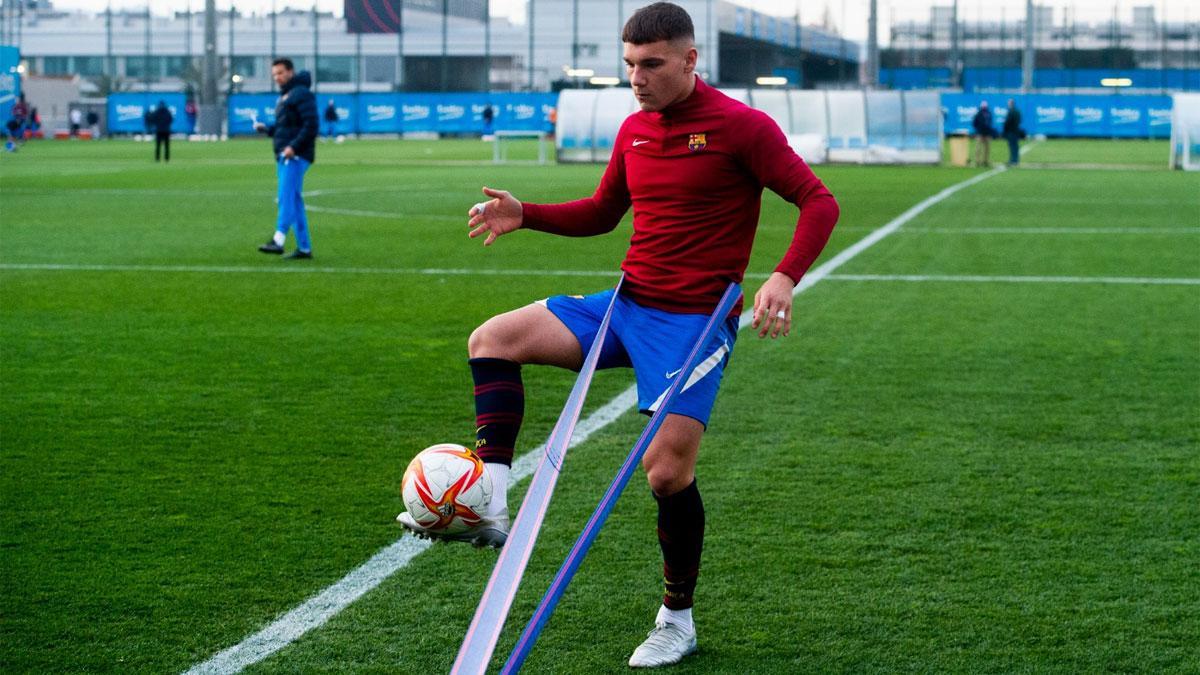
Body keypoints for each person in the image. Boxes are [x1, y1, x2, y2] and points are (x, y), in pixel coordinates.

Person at [396, 2, 838, 668]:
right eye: (629, 64)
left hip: (693, 324)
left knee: (666, 474)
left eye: (652, 64)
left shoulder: (743, 128)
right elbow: (605, 213)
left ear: (690, 60)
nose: (637, 77)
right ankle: (489, 493)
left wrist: (783, 276)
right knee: (493, 338)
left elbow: (818, 200)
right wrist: (527, 214)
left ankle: (676, 618)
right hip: (623, 305)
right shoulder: (633, 129)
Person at [255, 58, 318, 259]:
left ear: (290, 72)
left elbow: (311, 125)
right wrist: (267, 129)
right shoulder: (286, 96)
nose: (277, 78)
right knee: (294, 200)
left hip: (295, 155)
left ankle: (278, 240)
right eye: (274, 74)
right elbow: (287, 128)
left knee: (285, 197)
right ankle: (304, 248)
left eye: (280, 73)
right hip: (285, 153)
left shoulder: (301, 94)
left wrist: (293, 147)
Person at [971, 100, 993, 168]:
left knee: (987, 148)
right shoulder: (978, 114)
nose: (984, 107)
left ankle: (985, 160)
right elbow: (974, 123)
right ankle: (977, 161)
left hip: (987, 133)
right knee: (978, 147)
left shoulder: (989, 113)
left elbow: (990, 122)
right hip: (980, 133)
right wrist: (978, 129)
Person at [1002, 98, 1023, 166]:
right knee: (1015, 146)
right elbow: (1020, 120)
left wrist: (1005, 130)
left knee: (1012, 146)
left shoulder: (1010, 111)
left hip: (1011, 131)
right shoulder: (1017, 111)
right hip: (1016, 131)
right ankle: (1016, 160)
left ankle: (1012, 160)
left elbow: (1007, 122)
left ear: (1010, 103)